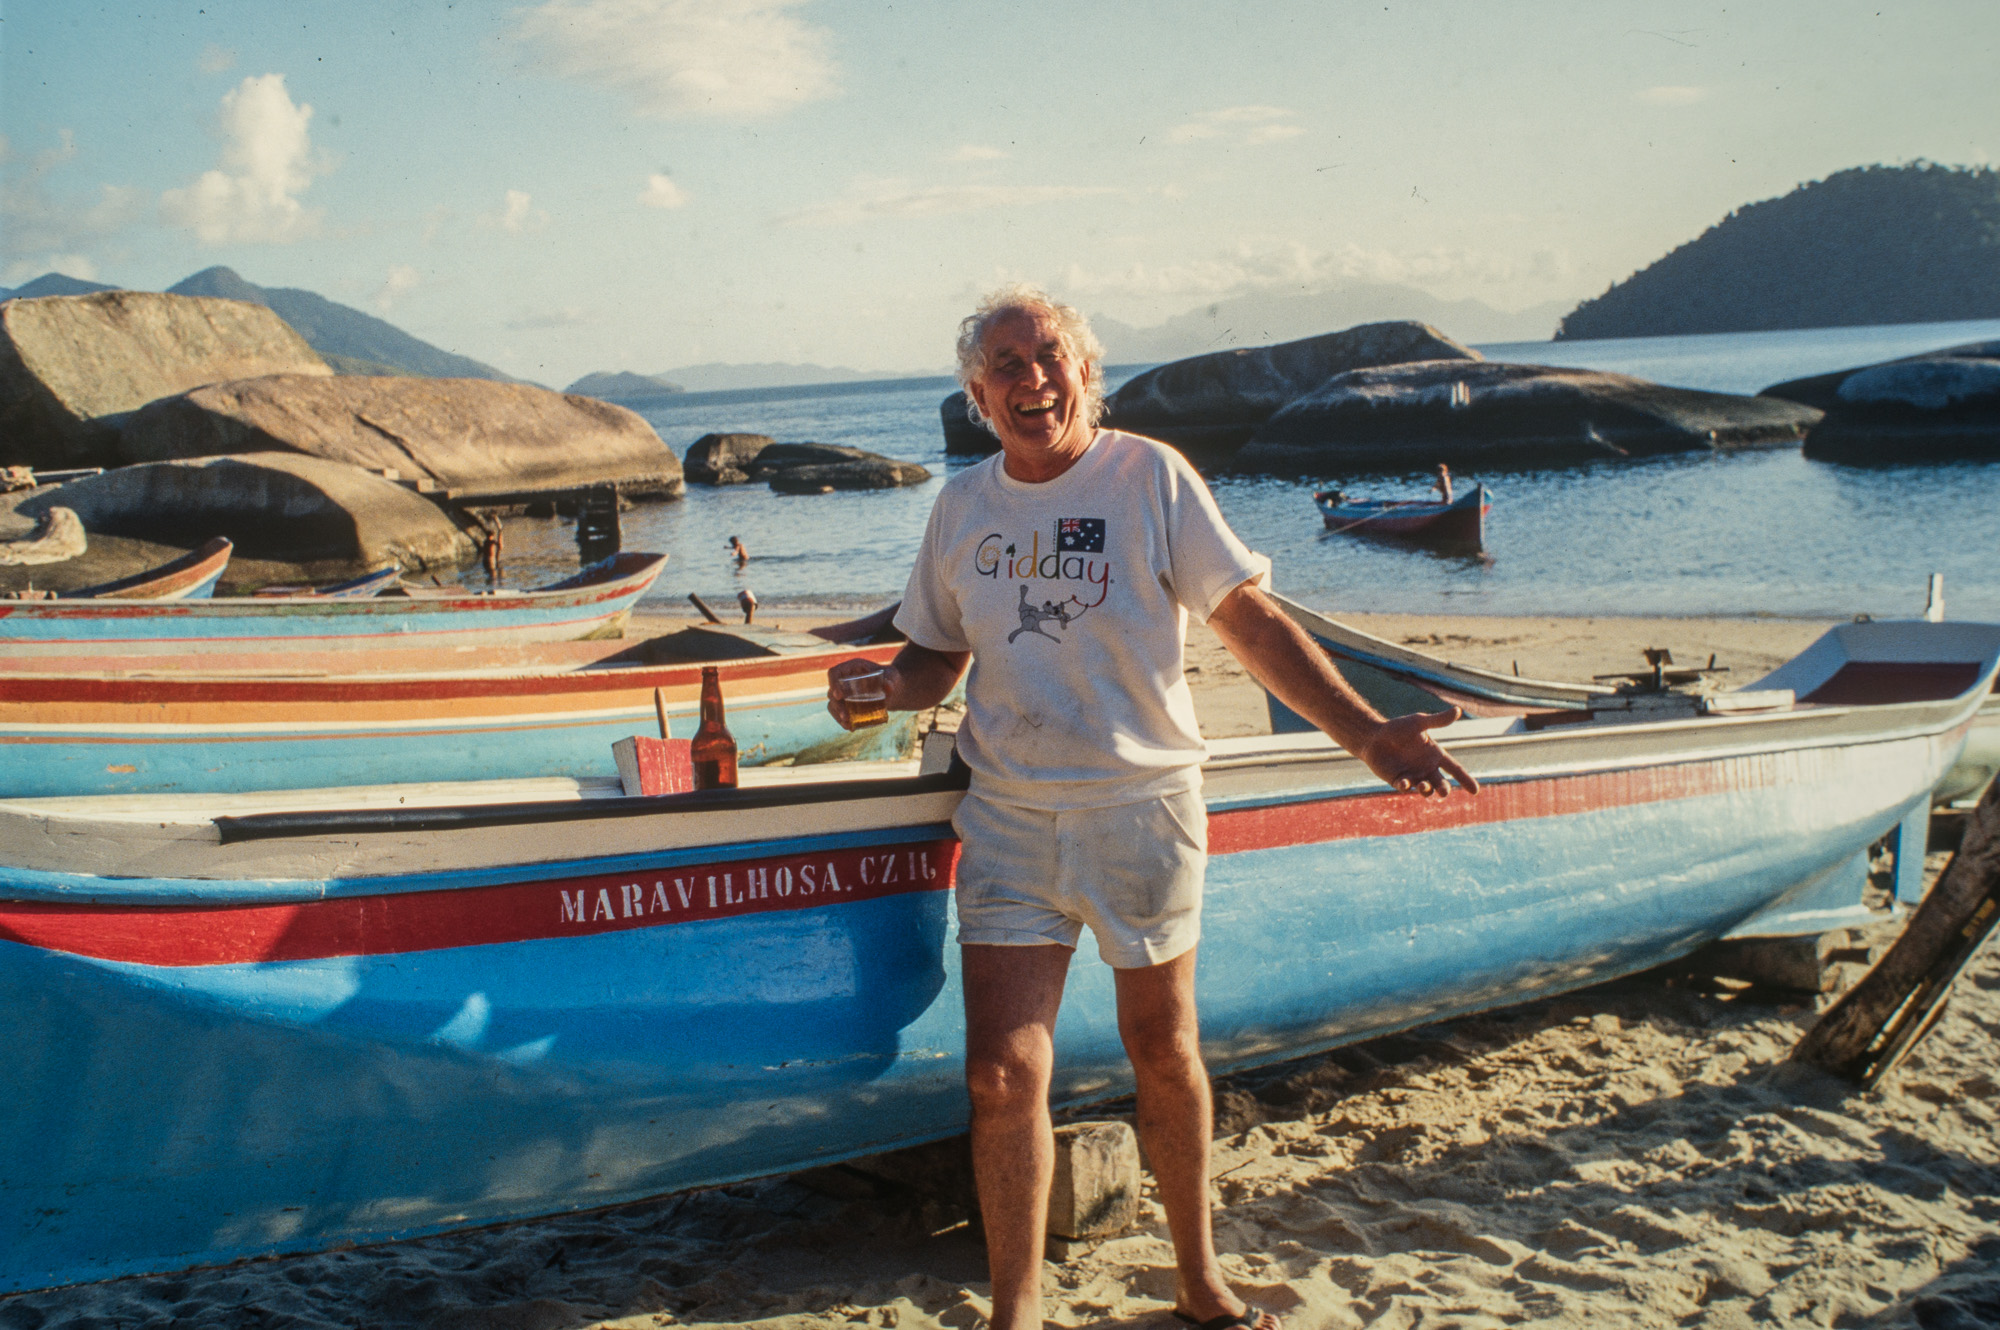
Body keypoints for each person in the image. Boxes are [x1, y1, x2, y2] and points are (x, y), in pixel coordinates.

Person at [827, 286, 1476, 1330]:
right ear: (977, 396)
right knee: (999, 1075)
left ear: (1084, 371)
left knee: (1160, 1050)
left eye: (1046, 356)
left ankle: (1197, 1278)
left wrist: (1365, 732)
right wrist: (880, 687)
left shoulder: (1149, 477)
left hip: (1142, 806)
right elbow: (935, 651)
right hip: (1009, 818)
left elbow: (1247, 619)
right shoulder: (960, 506)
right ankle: (1014, 1313)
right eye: (1003, 364)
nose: (1028, 377)